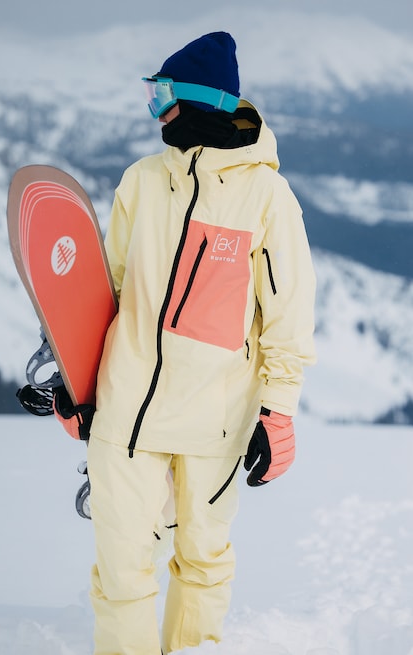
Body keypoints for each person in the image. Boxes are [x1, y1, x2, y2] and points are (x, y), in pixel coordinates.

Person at [57, 31, 316, 655]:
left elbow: (288, 313)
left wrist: (278, 410)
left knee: (202, 559)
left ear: (197, 101)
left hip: (216, 419)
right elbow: (105, 296)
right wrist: (77, 383)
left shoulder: (267, 196)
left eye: (162, 96)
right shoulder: (141, 182)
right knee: (121, 569)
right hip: (126, 412)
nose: (156, 111)